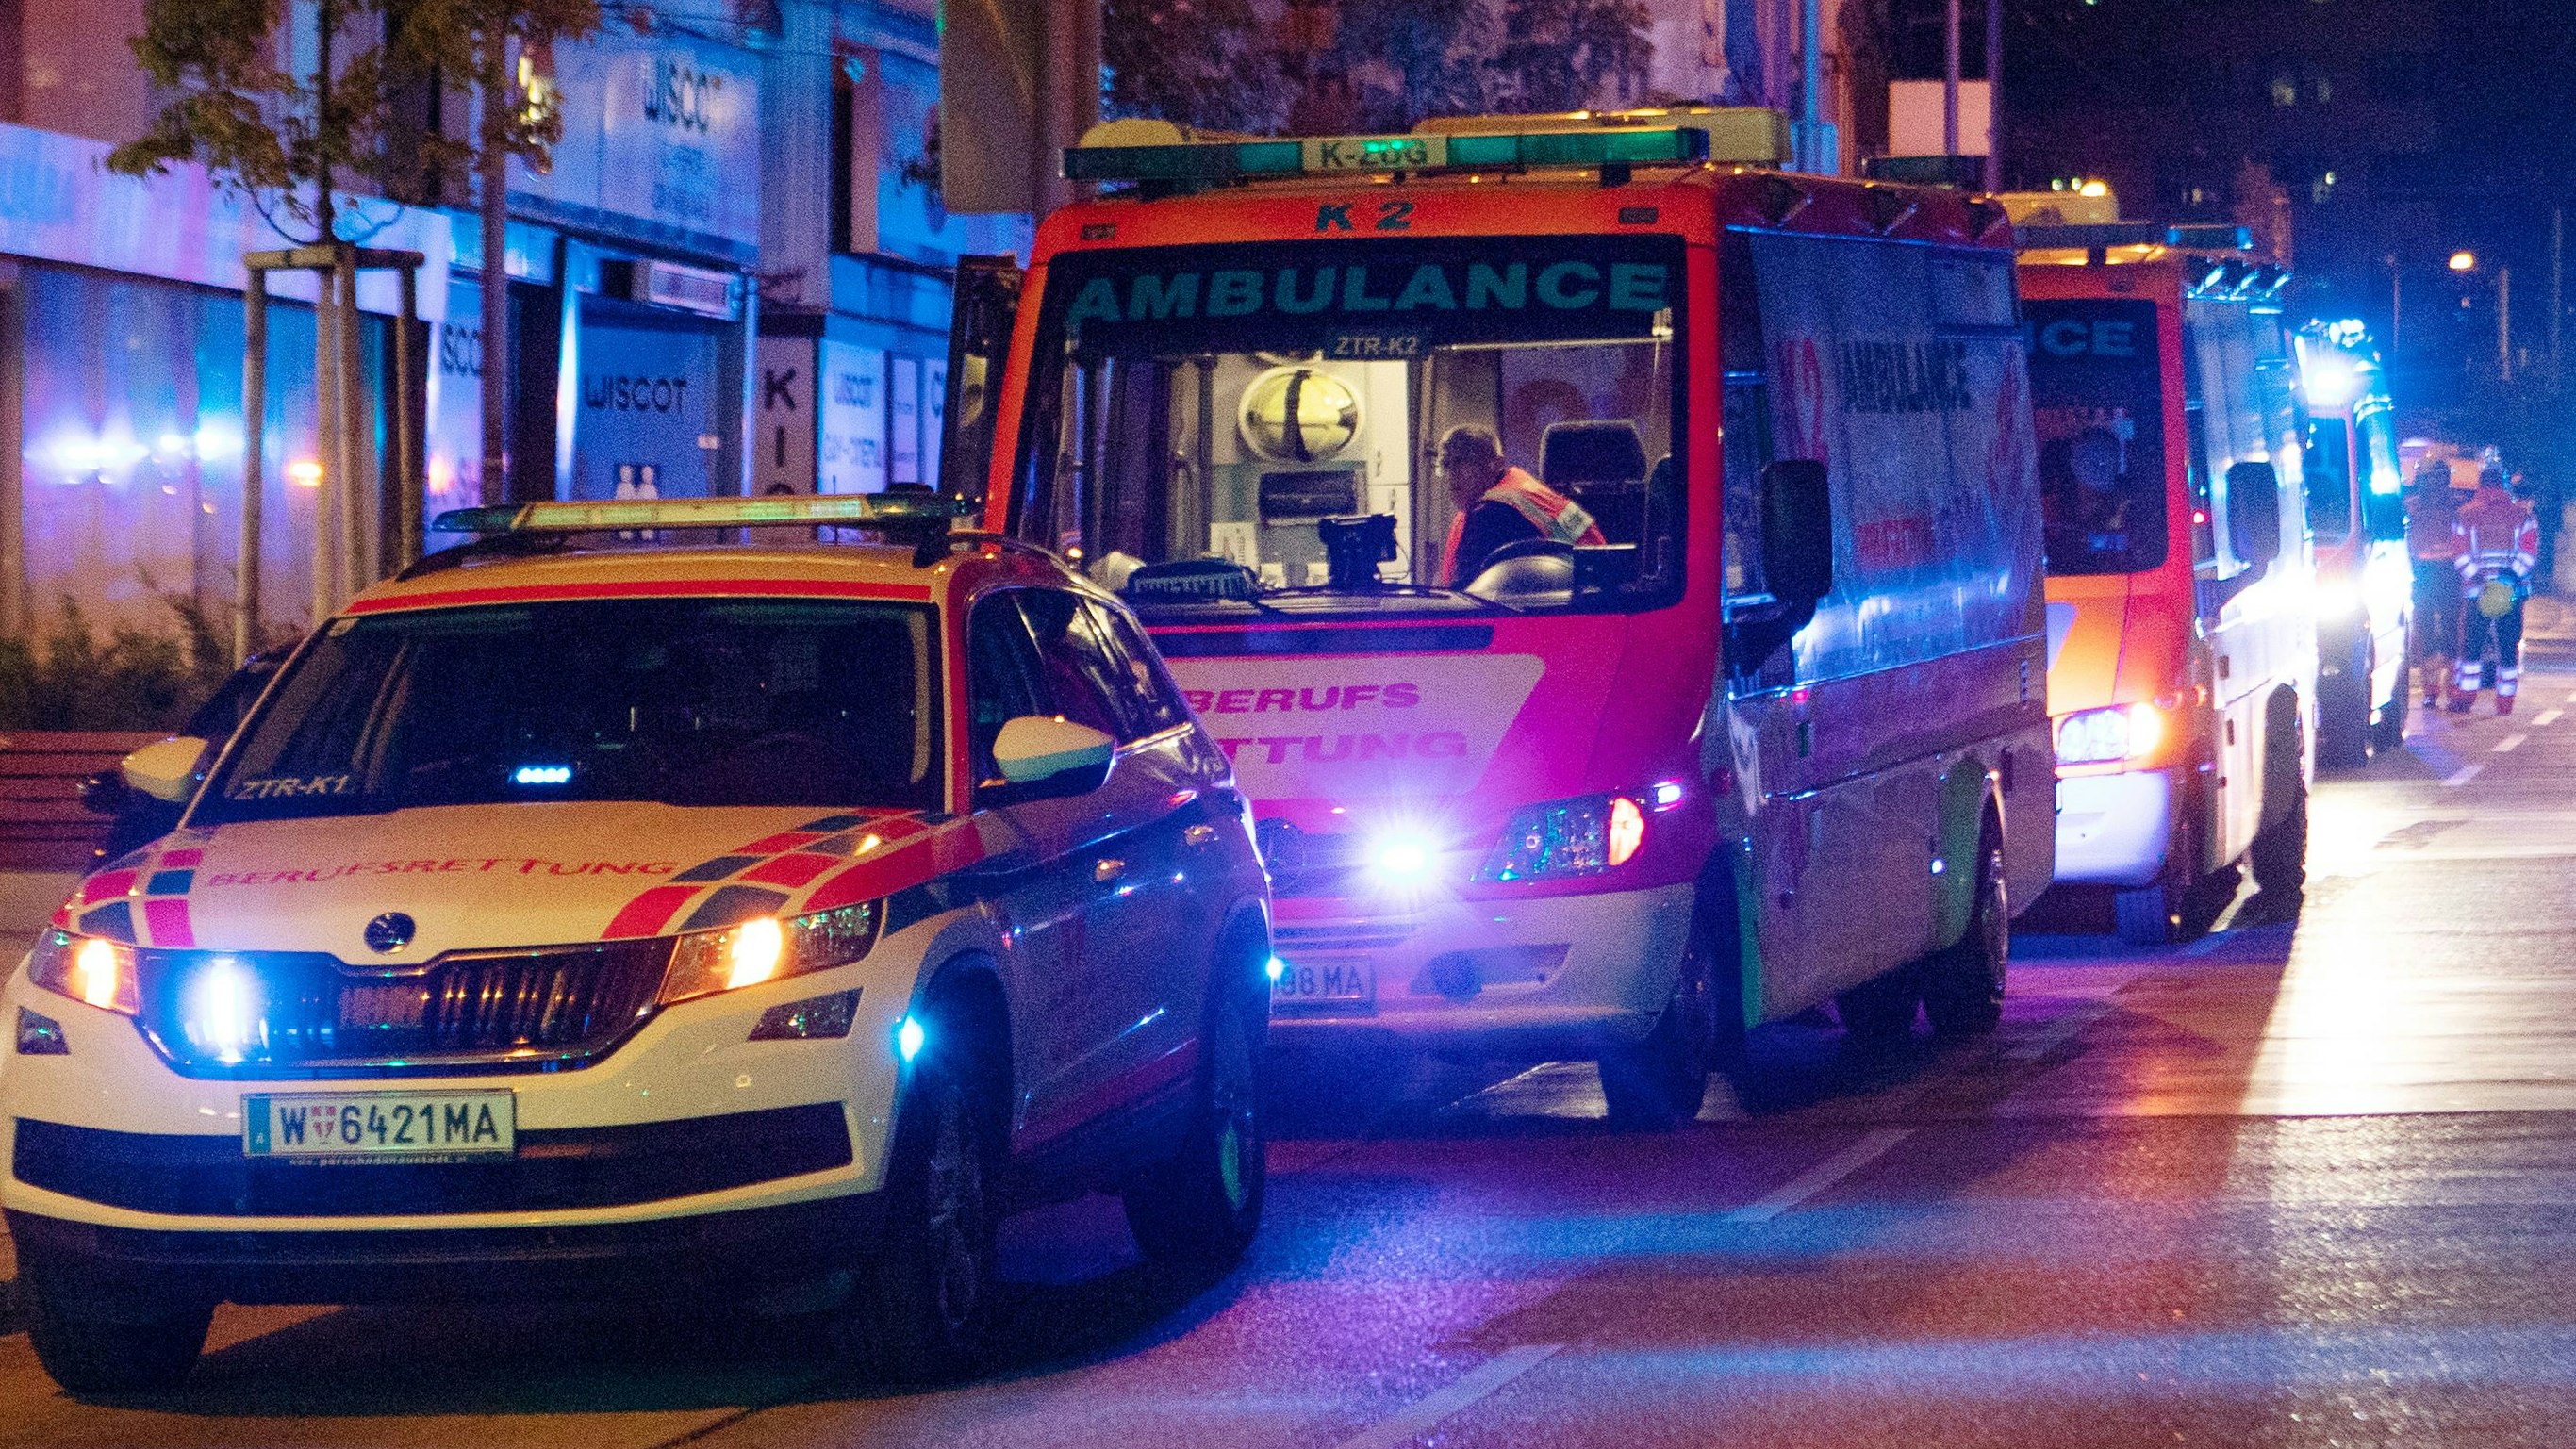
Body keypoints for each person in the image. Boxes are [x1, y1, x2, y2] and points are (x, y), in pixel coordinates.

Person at [1435, 423, 1604, 586]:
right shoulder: (1527, 493)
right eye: (1446, 464)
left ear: (1496, 464)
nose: (1452, 474)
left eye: (1463, 462)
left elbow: (1466, 599)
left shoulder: (1490, 515)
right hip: (1592, 593)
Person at [2452, 462, 2540, 715]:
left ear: (2481, 484)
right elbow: (2529, 553)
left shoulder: (2464, 514)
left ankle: (2465, 698)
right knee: (2508, 647)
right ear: (2503, 485)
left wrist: (2479, 579)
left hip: (2476, 593)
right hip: (2513, 592)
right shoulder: (2522, 515)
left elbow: (2459, 554)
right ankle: (2504, 703)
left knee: (2471, 647)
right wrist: (2508, 578)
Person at [2403, 458, 2466, 710]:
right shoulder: (2411, 507)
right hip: (2424, 574)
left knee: (2451, 631)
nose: (2435, 484)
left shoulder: (2458, 507)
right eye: (2431, 478)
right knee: (2426, 633)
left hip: (2448, 572)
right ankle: (2431, 688)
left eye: (2439, 478)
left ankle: (2451, 687)